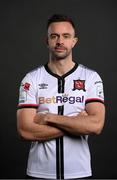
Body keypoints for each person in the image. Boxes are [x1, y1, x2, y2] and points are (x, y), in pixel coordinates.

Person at [17, 14, 105, 179]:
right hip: (39, 173)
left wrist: (49, 117)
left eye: (66, 36)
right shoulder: (31, 79)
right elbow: (25, 130)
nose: (60, 41)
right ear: (47, 41)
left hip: (79, 173)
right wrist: (77, 124)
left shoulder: (91, 77)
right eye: (54, 36)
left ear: (74, 41)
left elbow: (96, 125)